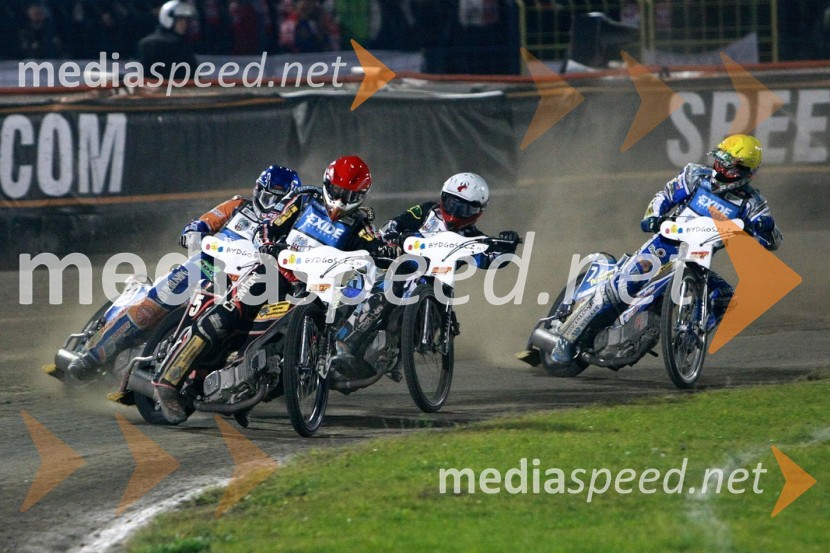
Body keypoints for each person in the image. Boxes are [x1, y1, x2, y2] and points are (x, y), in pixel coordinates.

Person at [152, 155, 395, 423]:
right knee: (228, 313)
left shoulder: (360, 224)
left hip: (318, 290)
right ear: (327, 183)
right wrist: (269, 244)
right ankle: (169, 381)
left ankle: (252, 385)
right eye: (337, 192)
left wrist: (389, 252)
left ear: (362, 195)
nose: (340, 200)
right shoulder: (304, 200)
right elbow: (270, 226)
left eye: (349, 195)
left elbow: (376, 245)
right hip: (275, 272)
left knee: (316, 336)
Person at [66, 165, 302, 381]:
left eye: (275, 198)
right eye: (263, 193)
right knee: (155, 303)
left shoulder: (291, 228)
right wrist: (193, 231)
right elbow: (204, 222)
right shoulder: (238, 205)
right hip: (208, 265)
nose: (267, 201)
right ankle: (93, 355)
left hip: (242, 284)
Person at [330, 172, 522, 371]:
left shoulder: (473, 239)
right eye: (451, 203)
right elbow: (394, 224)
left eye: (464, 208)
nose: (455, 211)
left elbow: (492, 259)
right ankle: (341, 343)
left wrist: (508, 246)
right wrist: (394, 235)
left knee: (418, 300)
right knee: (369, 288)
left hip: (433, 289)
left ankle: (394, 353)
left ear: (478, 211)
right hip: (393, 268)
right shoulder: (426, 211)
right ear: (443, 197)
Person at [639, 133, 782, 331]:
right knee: (628, 281)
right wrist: (652, 216)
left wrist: (767, 228)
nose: (721, 169)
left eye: (729, 167)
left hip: (698, 260)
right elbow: (665, 196)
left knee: (724, 298)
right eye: (721, 161)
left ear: (745, 171)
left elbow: (772, 242)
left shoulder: (752, 202)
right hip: (665, 245)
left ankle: (693, 337)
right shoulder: (695, 175)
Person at [137, 0, 198, 82]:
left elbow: (193, 77)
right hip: (159, 92)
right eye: (180, 19)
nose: (184, 24)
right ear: (168, 18)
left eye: (187, 20)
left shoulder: (183, 45)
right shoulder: (150, 45)